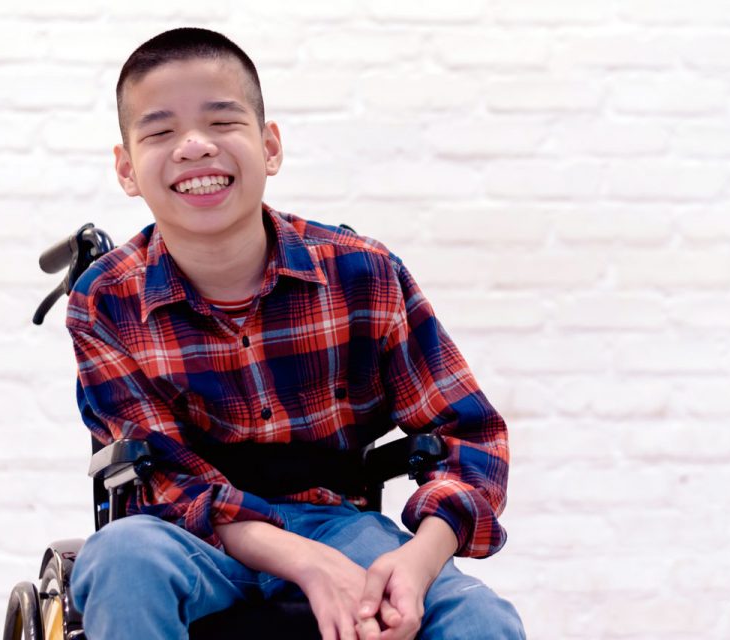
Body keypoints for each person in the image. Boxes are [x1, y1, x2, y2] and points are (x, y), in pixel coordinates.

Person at [66, 27, 525, 640]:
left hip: (340, 522)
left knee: (479, 617)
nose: (194, 146)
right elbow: (172, 482)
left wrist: (417, 563)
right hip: (190, 537)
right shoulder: (105, 301)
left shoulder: (361, 272)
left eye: (222, 122)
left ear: (270, 146)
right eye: (160, 131)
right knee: (121, 559)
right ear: (126, 168)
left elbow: (470, 436)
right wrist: (304, 563)